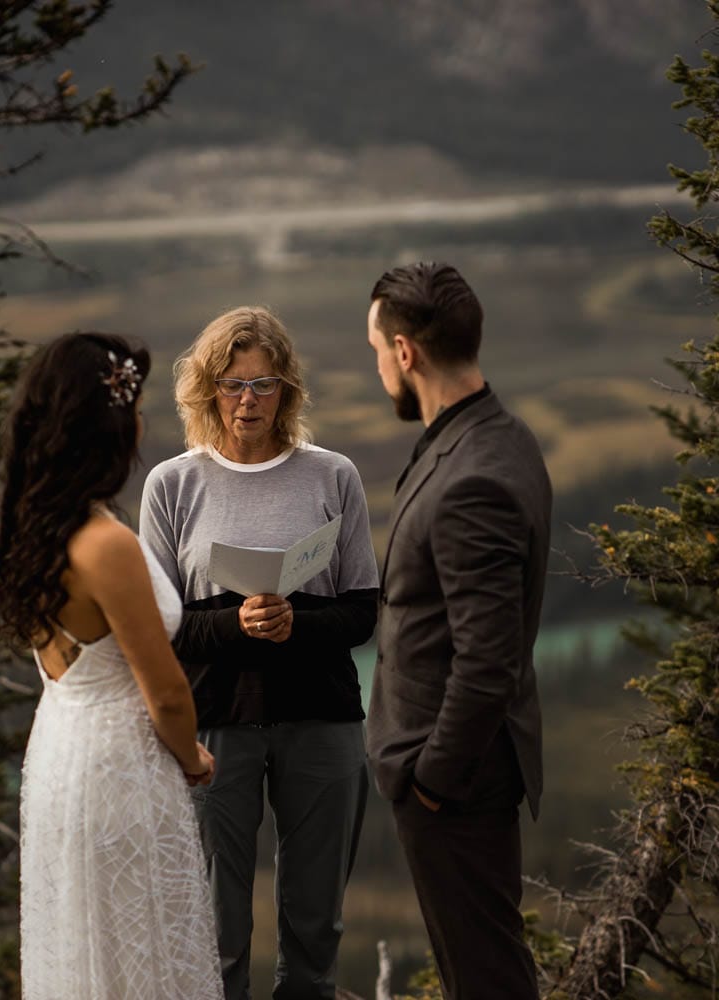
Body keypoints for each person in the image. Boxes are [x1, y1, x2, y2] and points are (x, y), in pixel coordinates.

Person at [139, 306, 379, 1000]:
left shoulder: (333, 476)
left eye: (264, 384)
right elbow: (159, 626)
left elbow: (363, 610)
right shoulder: (172, 485)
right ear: (206, 390)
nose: (248, 401)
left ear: (288, 391)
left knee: (315, 926)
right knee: (215, 929)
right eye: (232, 384)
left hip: (323, 721)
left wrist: (291, 624)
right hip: (215, 726)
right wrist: (237, 625)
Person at [0, 332, 222, 1000]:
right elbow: (167, 693)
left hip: (61, 753)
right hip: (122, 769)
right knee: (138, 953)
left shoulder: (31, 529)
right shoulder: (105, 545)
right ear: (109, 427)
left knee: (84, 953)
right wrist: (193, 760)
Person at [363, 263, 551, 1000]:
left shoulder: (473, 477)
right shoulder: (497, 434)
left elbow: (487, 662)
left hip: (455, 779)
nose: (377, 365)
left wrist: (432, 781)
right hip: (460, 771)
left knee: (486, 979)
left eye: (377, 349)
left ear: (406, 353)